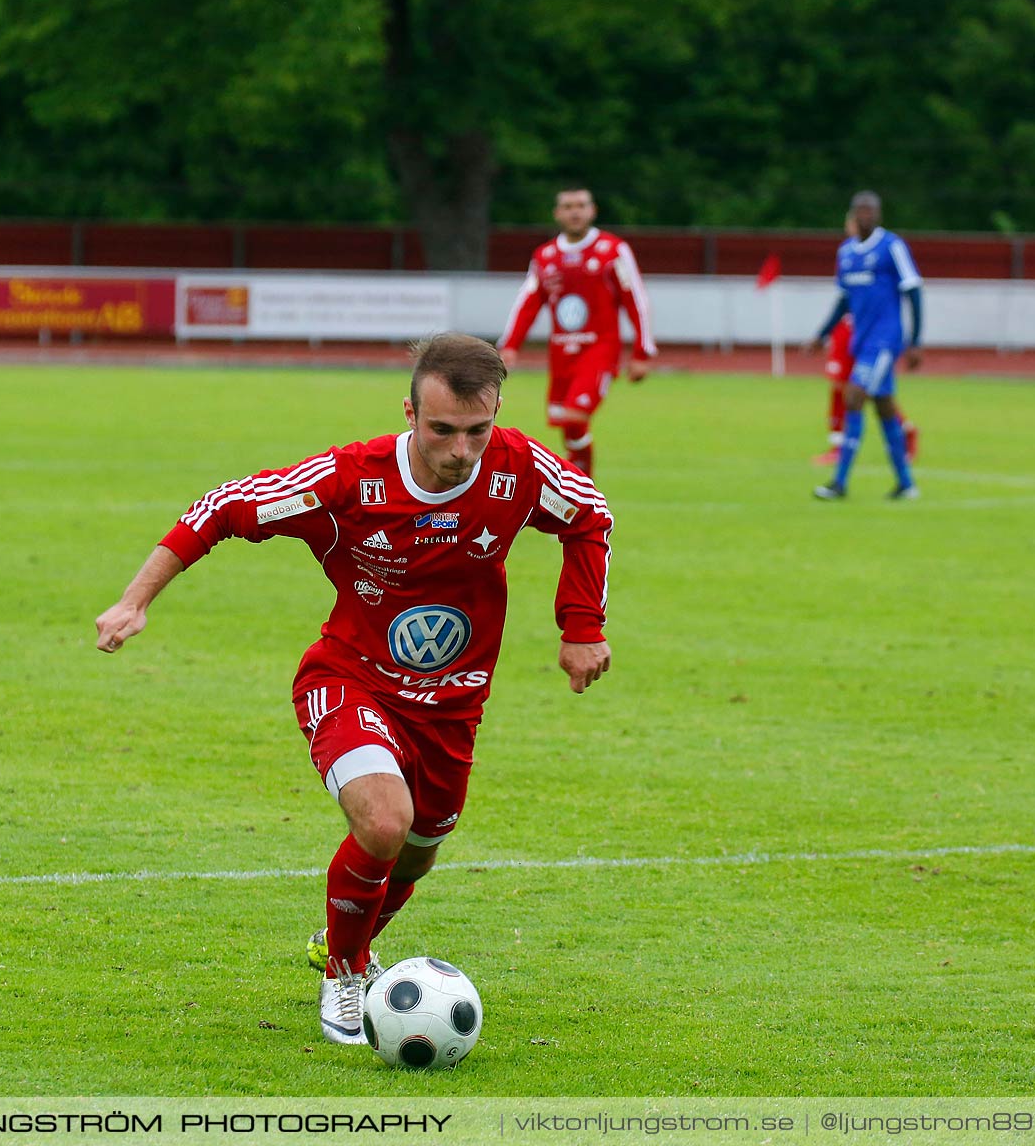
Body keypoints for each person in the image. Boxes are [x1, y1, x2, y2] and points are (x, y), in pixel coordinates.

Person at [93, 333, 614, 1047]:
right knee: (383, 822)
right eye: (442, 430)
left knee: (420, 849)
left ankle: (346, 934)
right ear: (408, 411)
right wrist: (134, 601)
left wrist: (582, 623)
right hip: (349, 679)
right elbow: (224, 505)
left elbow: (589, 513)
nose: (461, 450)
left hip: (453, 702)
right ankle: (346, 971)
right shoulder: (349, 480)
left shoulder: (517, 467)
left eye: (477, 430)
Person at [497, 185, 655, 477]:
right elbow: (528, 302)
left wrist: (642, 351)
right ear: (558, 214)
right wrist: (510, 345)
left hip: (600, 350)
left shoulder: (612, 251)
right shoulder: (545, 256)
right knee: (567, 425)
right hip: (561, 354)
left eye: (581, 205)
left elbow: (636, 299)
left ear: (592, 211)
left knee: (574, 416)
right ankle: (577, 486)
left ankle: (583, 487)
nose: (575, 212)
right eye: (568, 206)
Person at [808, 191, 923, 500]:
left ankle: (839, 482)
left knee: (854, 395)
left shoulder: (892, 247)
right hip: (862, 341)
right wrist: (822, 334)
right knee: (884, 407)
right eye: (860, 210)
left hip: (886, 340)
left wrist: (916, 341)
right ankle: (906, 484)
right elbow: (844, 300)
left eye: (871, 210)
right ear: (852, 214)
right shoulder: (846, 253)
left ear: (879, 214)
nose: (866, 215)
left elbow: (913, 290)